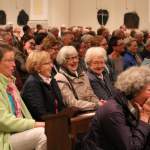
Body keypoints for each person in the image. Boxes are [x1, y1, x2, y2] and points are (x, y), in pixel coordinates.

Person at [83, 66, 150, 150]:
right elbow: (131, 147)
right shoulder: (113, 111)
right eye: (149, 90)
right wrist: (144, 118)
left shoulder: (133, 105)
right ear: (135, 90)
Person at [0, 44, 46, 150]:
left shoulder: (10, 83)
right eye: (9, 60)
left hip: (16, 132)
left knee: (53, 130)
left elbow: (23, 115)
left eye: (14, 60)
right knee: (42, 134)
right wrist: (35, 124)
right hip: (4, 137)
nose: (14, 64)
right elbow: (4, 121)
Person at [55, 46, 102, 110]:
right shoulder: (60, 78)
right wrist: (95, 106)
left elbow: (91, 95)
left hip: (90, 110)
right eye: (69, 58)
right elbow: (72, 103)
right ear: (63, 61)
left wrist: (98, 102)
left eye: (75, 57)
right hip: (76, 116)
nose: (74, 61)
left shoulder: (83, 74)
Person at [21, 50, 64, 121]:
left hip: (55, 121)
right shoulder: (32, 83)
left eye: (51, 62)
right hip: (42, 125)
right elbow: (40, 114)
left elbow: (60, 105)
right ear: (37, 67)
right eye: (47, 63)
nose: (52, 65)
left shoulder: (51, 79)